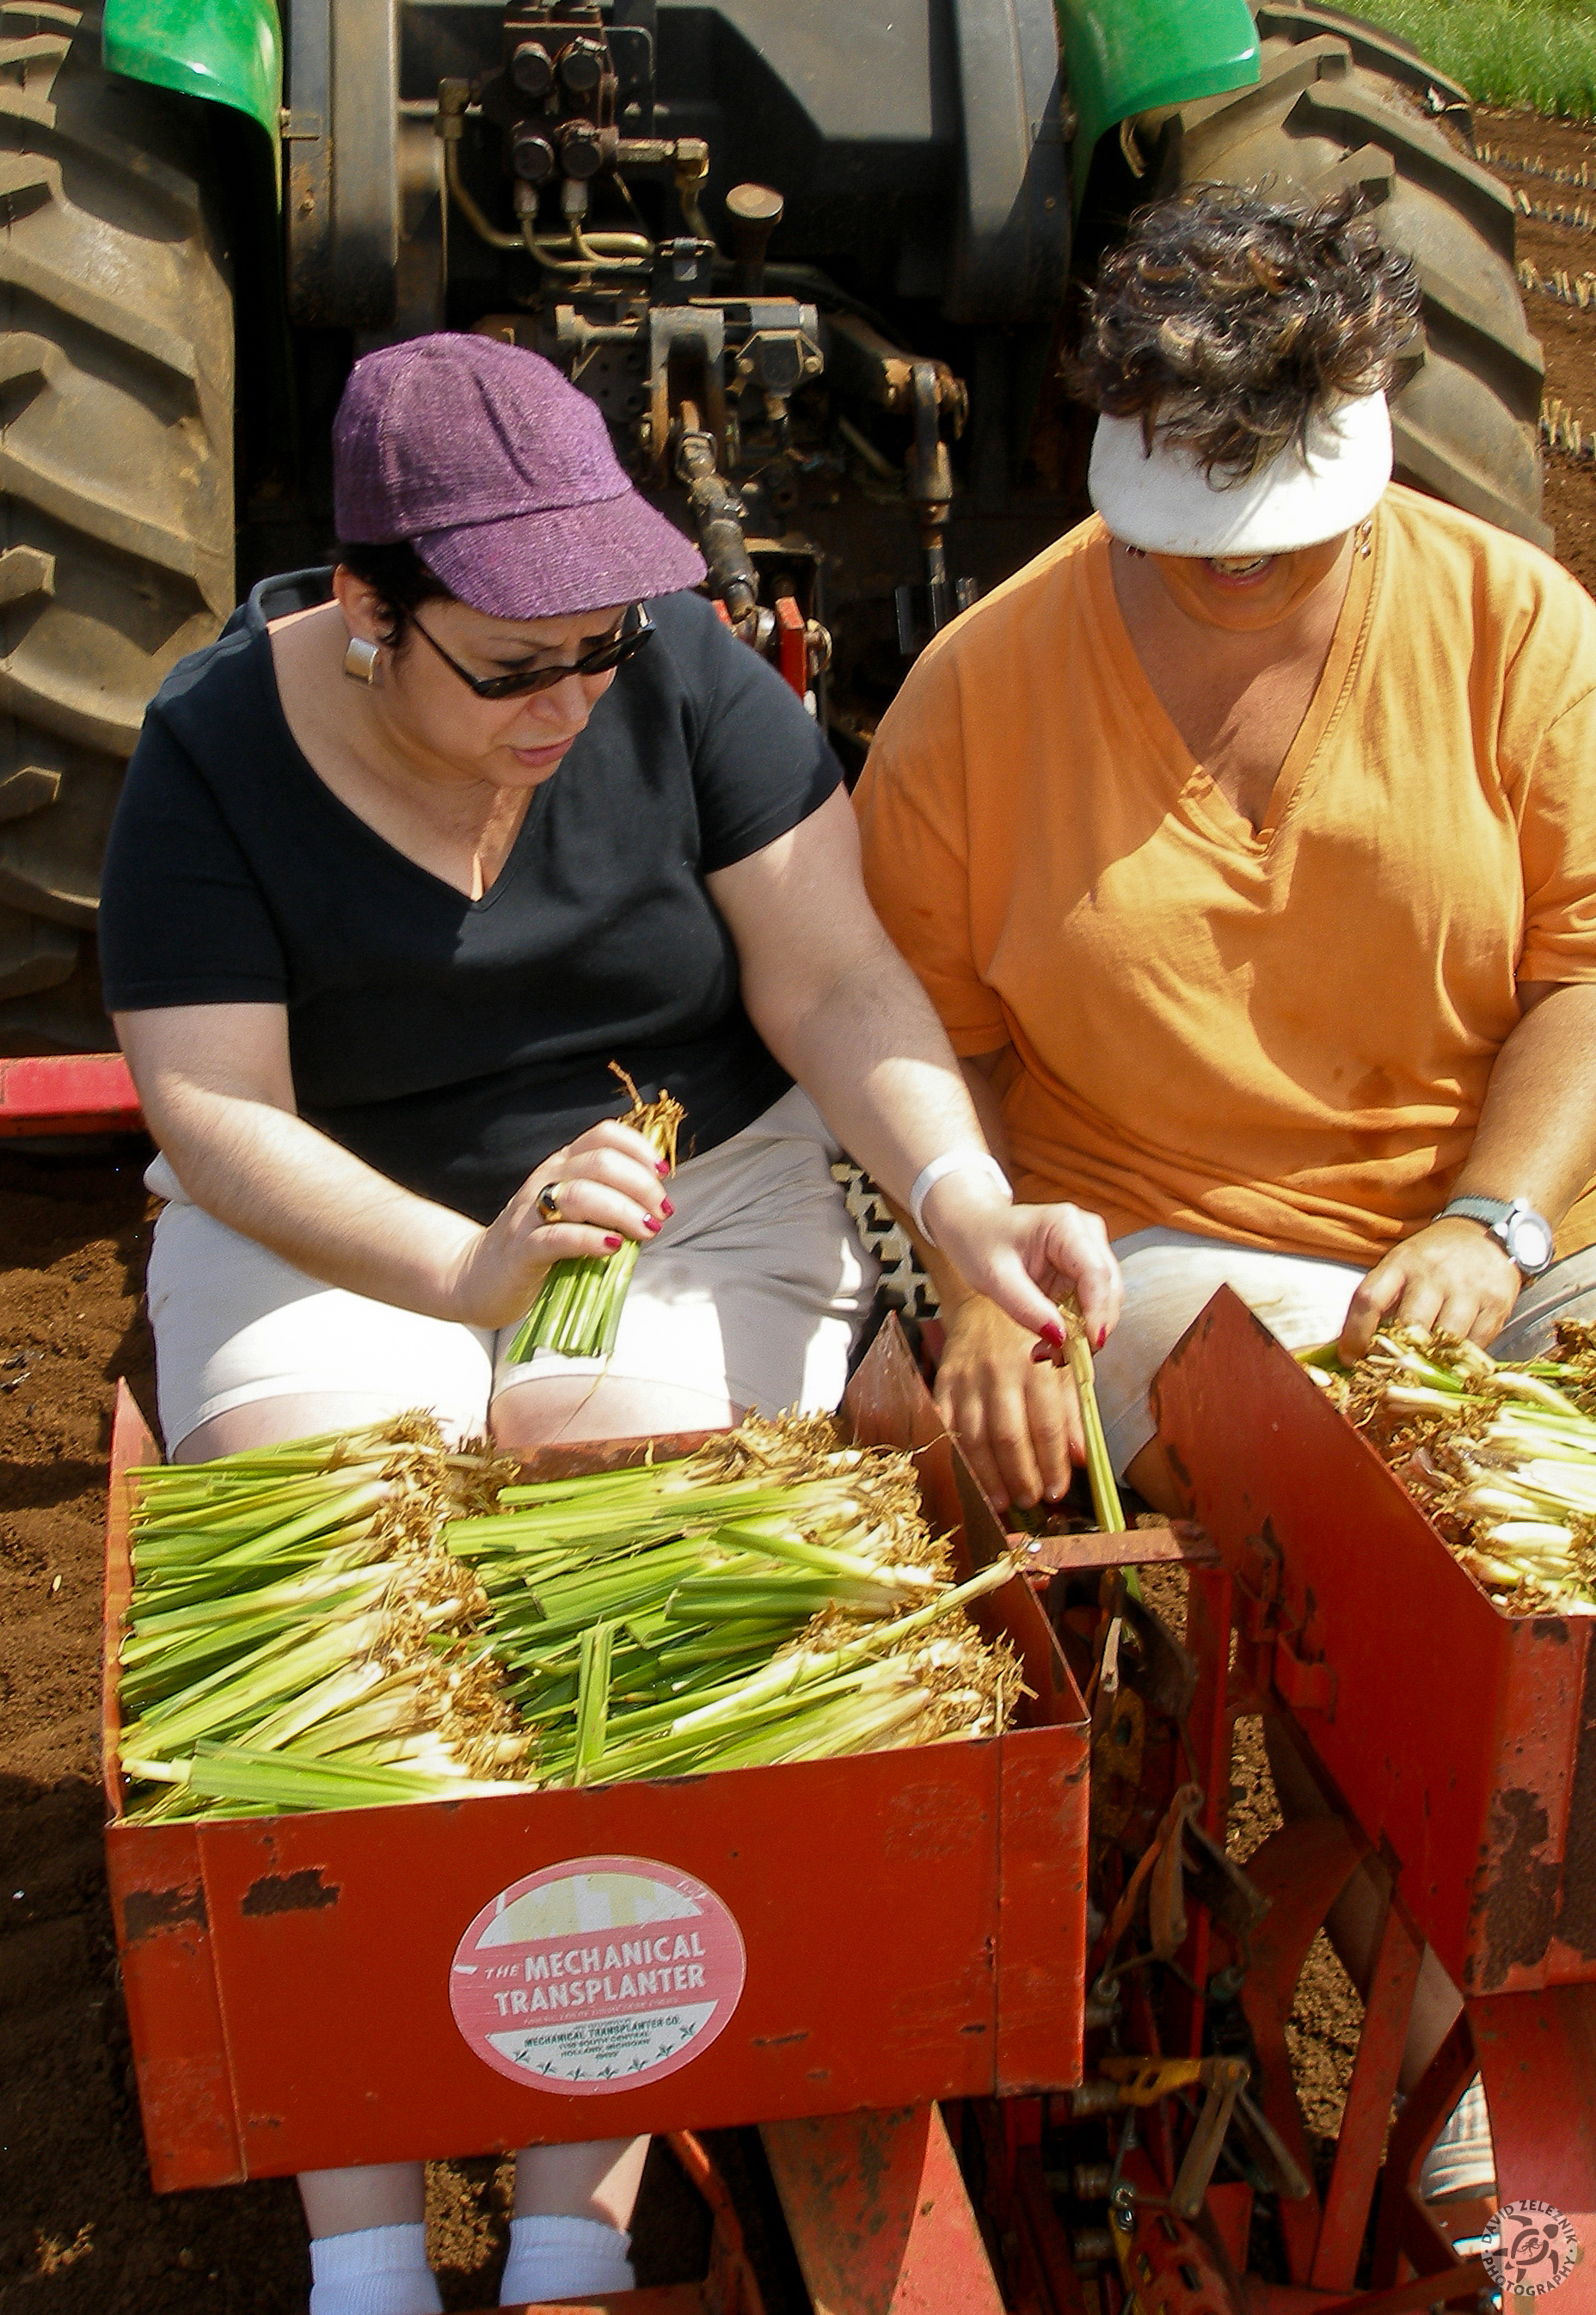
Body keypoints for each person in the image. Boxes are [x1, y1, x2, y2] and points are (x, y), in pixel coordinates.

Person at [97, 333, 1120, 2315]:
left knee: (641, 1540)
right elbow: (213, 1109)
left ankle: (572, 2206)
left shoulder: (675, 675)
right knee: (328, 1556)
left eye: (606, 640)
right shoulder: (214, 745)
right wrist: (469, 1272)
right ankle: (369, 2246)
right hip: (340, 1208)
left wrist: (962, 1193)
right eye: (517, 665)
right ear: (370, 613)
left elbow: (830, 982)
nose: (575, 694)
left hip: (690, 1183)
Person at [853, 184, 1596, 2201]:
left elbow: (1581, 969)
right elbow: (913, 1043)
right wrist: (978, 1262)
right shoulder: (982, 696)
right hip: (1152, 1251)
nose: (1246, 576)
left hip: (1494, 1235)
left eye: (1289, 536)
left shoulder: (1514, 627)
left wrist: (1490, 1223)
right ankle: (1458, 2103)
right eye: (1201, 545)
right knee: (1382, 1572)